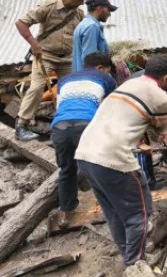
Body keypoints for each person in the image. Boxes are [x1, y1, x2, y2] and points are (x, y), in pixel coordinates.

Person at [76, 54, 167, 270]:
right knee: (137, 217)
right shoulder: (161, 98)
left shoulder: (130, 83)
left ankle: (128, 251)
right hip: (113, 159)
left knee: (114, 212)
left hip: (86, 153)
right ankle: (135, 263)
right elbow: (161, 130)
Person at [50, 51, 117, 230]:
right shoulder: (106, 79)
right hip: (86, 125)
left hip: (59, 127)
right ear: (100, 68)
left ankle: (66, 212)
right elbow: (113, 108)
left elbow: (61, 106)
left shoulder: (64, 79)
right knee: (101, 166)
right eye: (108, 70)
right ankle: (113, 206)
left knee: (66, 169)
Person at [14, 0, 90, 141]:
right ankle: (22, 125)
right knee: (37, 87)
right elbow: (21, 23)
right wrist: (33, 44)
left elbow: (82, 34)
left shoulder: (78, 14)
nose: (82, 3)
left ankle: (66, 125)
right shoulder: (48, 7)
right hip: (45, 56)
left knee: (72, 91)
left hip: (68, 59)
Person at [71, 0, 116, 72]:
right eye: (108, 10)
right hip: (90, 78)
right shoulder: (91, 26)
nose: (109, 14)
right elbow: (91, 60)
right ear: (99, 8)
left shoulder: (84, 24)